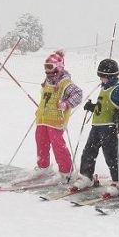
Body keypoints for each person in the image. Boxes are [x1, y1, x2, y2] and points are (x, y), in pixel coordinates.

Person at [74, 58, 119, 193]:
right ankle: (86, 176)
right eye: (100, 76)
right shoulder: (105, 87)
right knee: (89, 152)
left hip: (109, 127)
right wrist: (93, 107)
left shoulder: (118, 89)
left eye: (103, 77)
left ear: (111, 76)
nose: (101, 79)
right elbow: (104, 106)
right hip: (96, 126)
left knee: (110, 155)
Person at [31, 50, 83, 182]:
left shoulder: (65, 83)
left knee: (58, 146)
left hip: (56, 121)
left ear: (58, 67)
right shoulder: (48, 81)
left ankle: (67, 171)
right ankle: (43, 167)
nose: (47, 70)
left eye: (50, 67)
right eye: (45, 67)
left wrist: (66, 104)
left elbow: (78, 94)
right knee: (40, 143)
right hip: (42, 119)